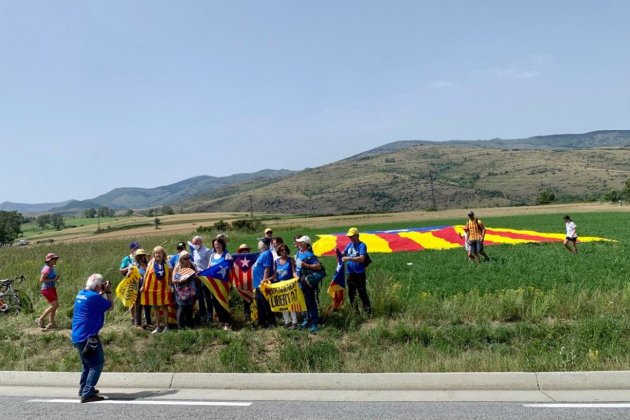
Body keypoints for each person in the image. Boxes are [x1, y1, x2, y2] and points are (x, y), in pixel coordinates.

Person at [71, 273, 113, 403]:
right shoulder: (94, 297)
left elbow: (93, 299)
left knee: (86, 364)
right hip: (88, 337)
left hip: (77, 335)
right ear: (97, 286)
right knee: (97, 363)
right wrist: (108, 291)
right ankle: (88, 393)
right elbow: (110, 307)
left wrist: (101, 291)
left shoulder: (81, 294)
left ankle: (83, 388)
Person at [296, 235, 325, 333]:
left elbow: (318, 266)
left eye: (300, 242)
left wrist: (306, 265)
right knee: (304, 302)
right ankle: (306, 320)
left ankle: (314, 323)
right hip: (301, 282)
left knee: (311, 302)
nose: (298, 243)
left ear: (305, 244)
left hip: (308, 283)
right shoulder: (299, 253)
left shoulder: (309, 254)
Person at [140, 246, 172, 333]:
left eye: (159, 253)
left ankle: (166, 327)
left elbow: (170, 274)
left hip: (163, 289)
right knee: (155, 308)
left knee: (164, 307)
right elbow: (146, 275)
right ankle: (158, 327)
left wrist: (170, 284)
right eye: (156, 253)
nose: (158, 254)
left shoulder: (167, 262)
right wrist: (143, 286)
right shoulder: (151, 262)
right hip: (152, 290)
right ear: (154, 254)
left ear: (163, 254)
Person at [342, 228, 372, 316]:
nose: (350, 238)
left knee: (362, 294)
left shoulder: (362, 245)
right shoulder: (349, 245)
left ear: (357, 236)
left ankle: (368, 313)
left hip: (359, 274)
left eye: (352, 236)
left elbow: (362, 259)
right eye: (349, 236)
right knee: (351, 295)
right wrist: (338, 252)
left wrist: (348, 258)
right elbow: (343, 254)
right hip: (350, 273)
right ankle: (356, 314)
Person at [209, 237, 233, 329]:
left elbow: (231, 270)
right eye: (215, 244)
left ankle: (227, 322)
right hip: (214, 284)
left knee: (224, 303)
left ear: (222, 245)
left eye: (218, 244)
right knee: (216, 303)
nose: (217, 246)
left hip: (224, 284)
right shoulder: (212, 256)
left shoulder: (227, 255)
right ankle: (221, 322)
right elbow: (209, 268)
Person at [273, 243, 298, 328]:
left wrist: (296, 278)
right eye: (282, 250)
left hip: (290, 284)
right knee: (283, 304)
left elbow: (294, 271)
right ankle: (287, 321)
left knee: (291, 303)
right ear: (279, 252)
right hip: (280, 285)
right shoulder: (276, 262)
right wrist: (267, 280)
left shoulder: (290, 260)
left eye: (285, 250)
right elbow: (275, 275)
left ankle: (294, 322)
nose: (284, 251)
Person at [252, 237, 275, 328]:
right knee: (260, 304)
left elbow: (267, 268)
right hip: (257, 283)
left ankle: (271, 322)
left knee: (266, 304)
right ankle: (262, 322)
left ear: (264, 244)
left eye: (260, 241)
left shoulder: (267, 253)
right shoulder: (262, 253)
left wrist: (264, 281)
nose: (258, 243)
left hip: (262, 284)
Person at [190, 235, 213, 324]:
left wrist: (204, 273)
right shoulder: (195, 251)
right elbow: (196, 264)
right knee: (200, 298)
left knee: (207, 298)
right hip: (197, 278)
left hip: (206, 277)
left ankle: (209, 316)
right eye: (193, 243)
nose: (194, 244)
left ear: (200, 242)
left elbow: (210, 264)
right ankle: (202, 315)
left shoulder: (207, 251)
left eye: (195, 243)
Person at [172, 251, 197, 329]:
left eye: (188, 257)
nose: (187, 259)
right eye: (185, 258)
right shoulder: (178, 267)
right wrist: (181, 280)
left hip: (191, 289)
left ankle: (190, 324)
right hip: (181, 290)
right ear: (181, 259)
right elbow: (174, 280)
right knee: (181, 307)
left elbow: (197, 272)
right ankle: (181, 327)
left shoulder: (192, 265)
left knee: (190, 306)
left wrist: (196, 275)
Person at [37, 253, 60, 329]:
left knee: (54, 306)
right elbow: (41, 280)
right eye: (54, 259)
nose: (56, 260)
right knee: (54, 305)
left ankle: (51, 323)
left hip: (51, 288)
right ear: (49, 260)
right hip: (47, 289)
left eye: (56, 258)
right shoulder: (46, 268)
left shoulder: (51, 268)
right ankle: (40, 319)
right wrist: (53, 279)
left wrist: (55, 278)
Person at [133, 249, 152, 328]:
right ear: (137, 257)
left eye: (143, 256)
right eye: (139, 256)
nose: (141, 258)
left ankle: (148, 322)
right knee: (138, 306)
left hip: (148, 288)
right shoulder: (134, 267)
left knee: (147, 306)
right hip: (138, 289)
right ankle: (138, 324)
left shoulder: (149, 265)